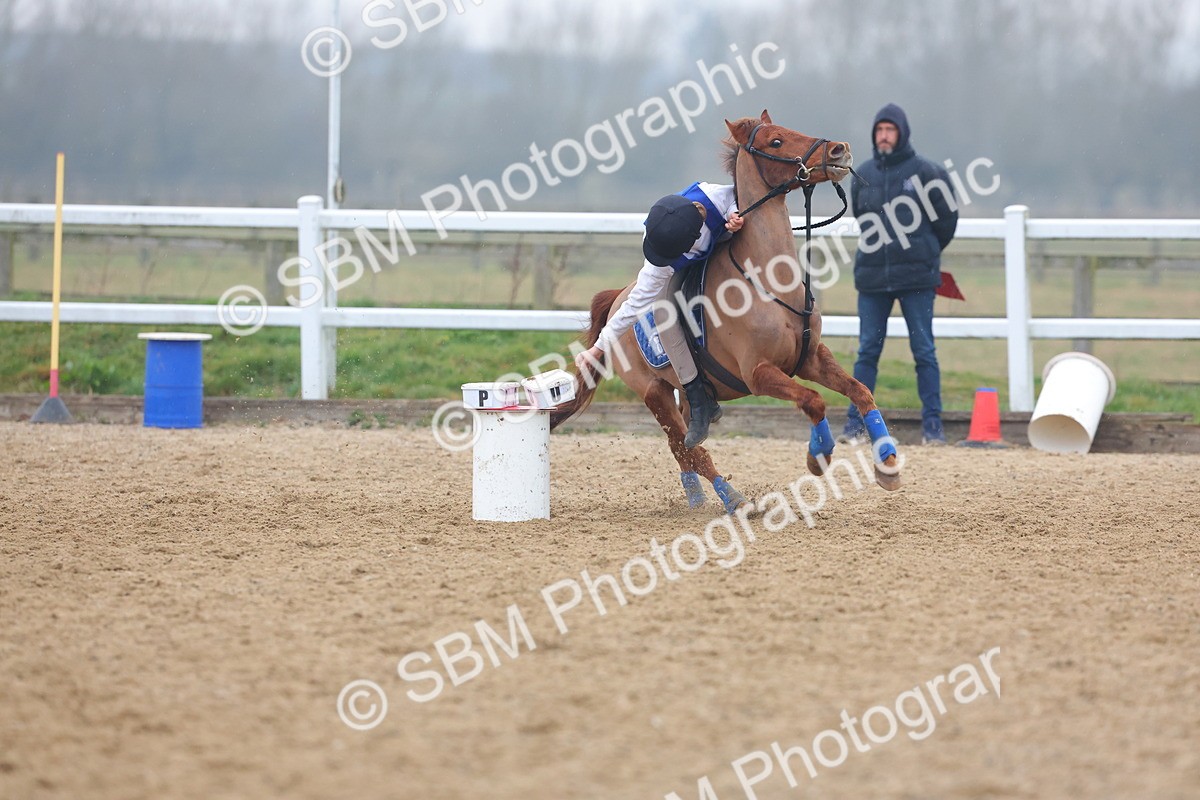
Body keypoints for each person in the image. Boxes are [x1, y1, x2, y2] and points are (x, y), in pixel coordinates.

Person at [574, 182, 743, 449]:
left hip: (721, 242)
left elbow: (739, 192)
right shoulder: (659, 265)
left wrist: (733, 215)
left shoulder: (713, 196)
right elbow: (631, 308)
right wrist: (597, 350)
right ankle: (699, 399)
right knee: (665, 315)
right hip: (689, 262)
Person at [842, 103, 959, 446]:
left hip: (917, 280)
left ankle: (932, 427)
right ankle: (855, 425)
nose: (883, 136)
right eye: (879, 130)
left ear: (902, 132)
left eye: (890, 130)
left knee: (924, 350)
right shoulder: (862, 174)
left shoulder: (927, 172)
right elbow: (862, 217)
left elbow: (946, 221)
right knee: (866, 353)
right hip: (873, 280)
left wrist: (922, 251)